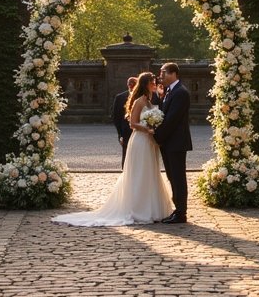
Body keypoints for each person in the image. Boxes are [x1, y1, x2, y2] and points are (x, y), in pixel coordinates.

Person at [52, 72, 173, 226]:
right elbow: (133, 124)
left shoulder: (151, 99)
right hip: (141, 140)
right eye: (152, 82)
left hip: (150, 142)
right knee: (140, 172)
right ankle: (138, 208)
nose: (155, 83)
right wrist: (147, 129)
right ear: (146, 84)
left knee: (151, 172)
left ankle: (152, 208)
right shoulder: (139, 101)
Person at [154, 62, 192, 224]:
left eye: (163, 72)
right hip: (169, 143)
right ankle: (177, 210)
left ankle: (181, 213)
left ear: (173, 73)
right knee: (172, 176)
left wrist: (157, 136)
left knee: (178, 177)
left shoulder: (180, 92)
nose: (160, 75)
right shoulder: (170, 91)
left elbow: (171, 120)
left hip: (176, 142)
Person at [111, 76, 137, 168]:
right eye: (129, 83)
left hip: (139, 131)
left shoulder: (142, 97)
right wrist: (120, 134)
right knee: (126, 155)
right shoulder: (120, 97)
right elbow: (116, 117)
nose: (131, 85)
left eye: (133, 83)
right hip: (126, 131)